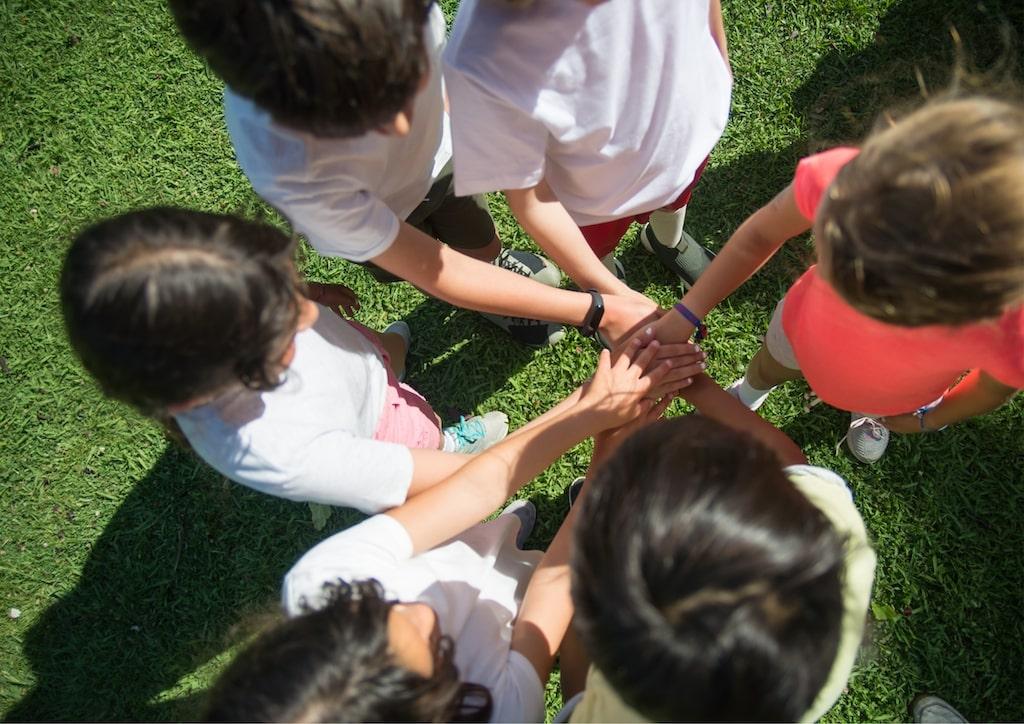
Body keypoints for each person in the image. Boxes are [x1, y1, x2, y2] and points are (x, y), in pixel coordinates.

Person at [201, 336, 704, 722]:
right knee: (525, 567)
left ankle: (512, 528)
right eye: (439, 648)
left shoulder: (321, 583)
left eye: (379, 606)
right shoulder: (502, 714)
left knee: (497, 530)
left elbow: (472, 490)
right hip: (521, 596)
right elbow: (548, 596)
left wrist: (589, 407)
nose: (422, 610)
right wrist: (609, 459)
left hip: (463, 541)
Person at [167, 0, 661, 349]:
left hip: (444, 164)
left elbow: (518, 174)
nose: (402, 124)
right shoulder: (290, 172)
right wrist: (593, 310)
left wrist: (601, 293)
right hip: (382, 218)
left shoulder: (396, 11)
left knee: (477, 231)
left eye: (406, 78)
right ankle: (491, 302)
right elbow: (430, 269)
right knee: (433, 267)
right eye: (355, 120)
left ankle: (494, 266)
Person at [60, 207, 520, 513]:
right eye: (279, 320)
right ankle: (448, 440)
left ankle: (390, 362)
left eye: (281, 285)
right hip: (383, 428)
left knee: (376, 354)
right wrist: (500, 470)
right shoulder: (277, 449)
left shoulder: (233, 321)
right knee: (425, 432)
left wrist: (308, 293)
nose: (307, 313)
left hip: (356, 363)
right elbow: (423, 484)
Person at [645, 95, 1024, 462]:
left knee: (877, 399)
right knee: (769, 367)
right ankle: (747, 394)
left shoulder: (1012, 323)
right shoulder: (853, 184)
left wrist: (929, 418)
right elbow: (761, 234)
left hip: (899, 392)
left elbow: (993, 387)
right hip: (800, 333)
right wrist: (687, 313)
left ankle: (871, 414)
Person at [563, 374, 877, 721]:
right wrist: (695, 385)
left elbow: (577, 684)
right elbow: (795, 465)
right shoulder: (833, 537)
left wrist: (600, 475)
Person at [443, 0, 732, 295]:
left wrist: (720, 61)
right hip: (596, 202)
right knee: (597, 251)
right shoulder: (482, 56)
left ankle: (667, 241)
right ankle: (609, 282)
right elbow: (530, 199)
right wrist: (614, 299)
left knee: (675, 203)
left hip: (685, 148)